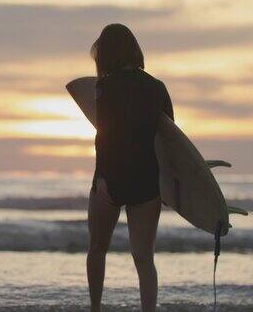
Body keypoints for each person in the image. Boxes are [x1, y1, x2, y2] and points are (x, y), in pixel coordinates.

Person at [84, 23, 174, 312]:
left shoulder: (104, 87)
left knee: (97, 250)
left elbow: (105, 137)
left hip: (110, 178)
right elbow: (169, 139)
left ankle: (95, 308)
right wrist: (169, 185)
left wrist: (103, 180)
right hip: (146, 182)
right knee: (144, 258)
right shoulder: (158, 88)